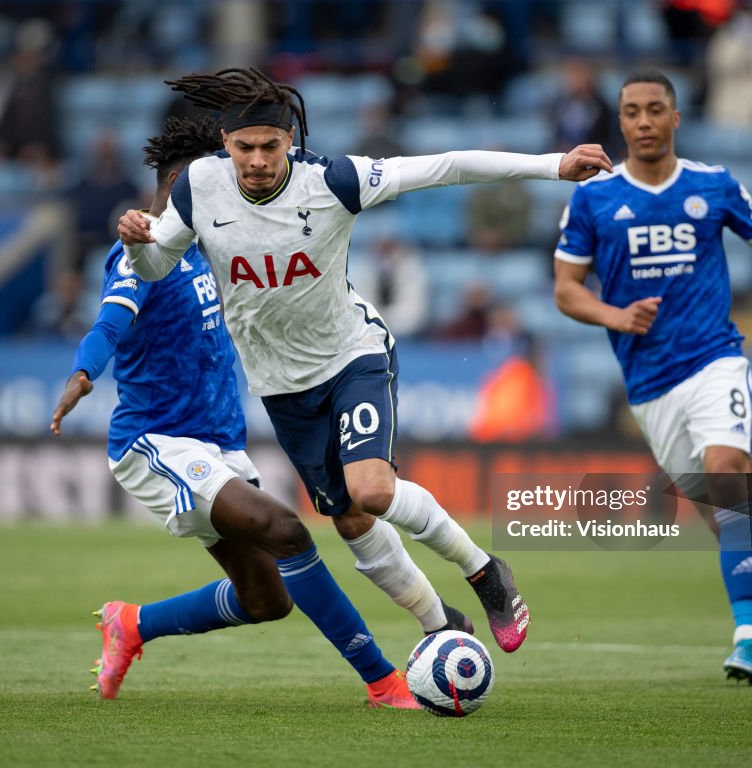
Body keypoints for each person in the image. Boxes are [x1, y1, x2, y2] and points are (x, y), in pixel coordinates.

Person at [117, 67, 613, 653]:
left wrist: (552, 165)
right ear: (225, 145)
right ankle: (441, 626)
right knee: (352, 521)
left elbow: (445, 166)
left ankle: (486, 572)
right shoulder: (199, 186)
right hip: (280, 385)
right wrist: (136, 242)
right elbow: (154, 269)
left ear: (290, 144)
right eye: (244, 147)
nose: (256, 160)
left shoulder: (335, 181)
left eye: (270, 147)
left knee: (372, 492)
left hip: (353, 354)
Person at [50, 116, 419, 709]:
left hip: (219, 444)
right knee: (286, 530)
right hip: (157, 443)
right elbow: (112, 317)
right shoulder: (146, 248)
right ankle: (383, 681)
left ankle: (133, 624)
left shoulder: (218, 242)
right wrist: (83, 373)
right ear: (183, 183)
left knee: (265, 599)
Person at [553, 69, 752, 684]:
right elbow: (566, 290)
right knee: (728, 516)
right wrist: (616, 314)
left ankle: (747, 639)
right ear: (619, 123)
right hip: (648, 385)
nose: (643, 122)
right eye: (632, 112)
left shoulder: (713, 186)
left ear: (676, 118)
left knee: (727, 476)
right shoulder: (593, 199)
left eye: (655, 110)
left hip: (715, 358)